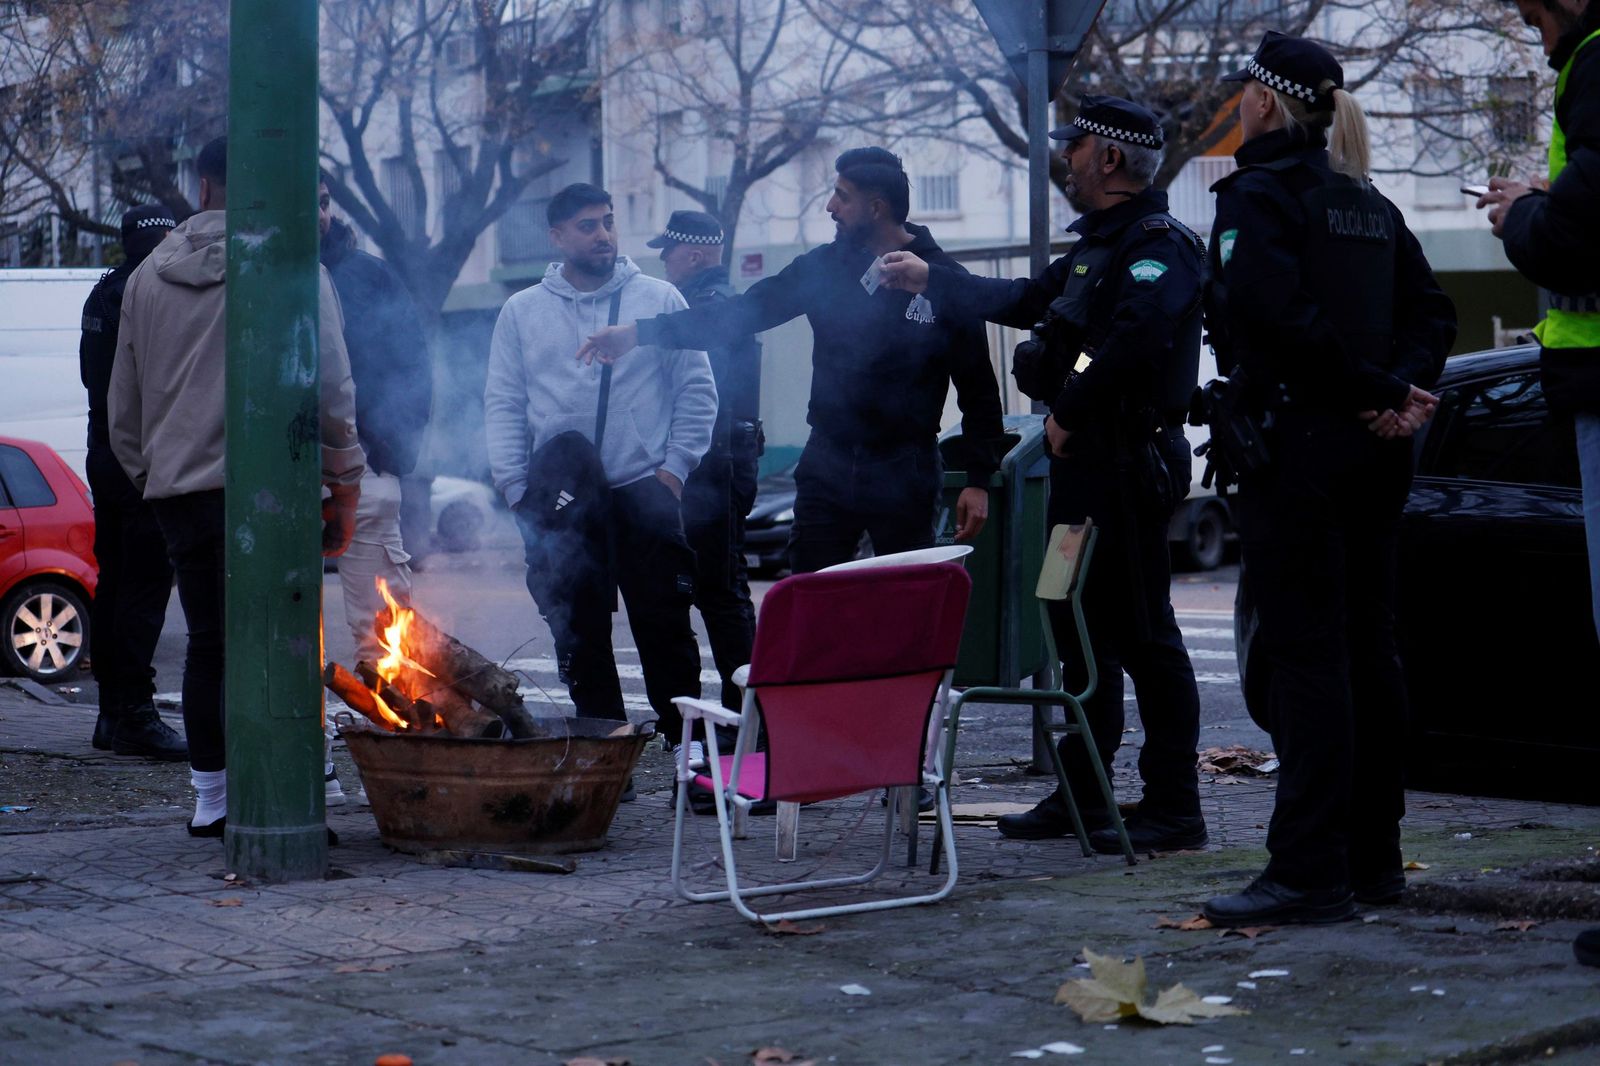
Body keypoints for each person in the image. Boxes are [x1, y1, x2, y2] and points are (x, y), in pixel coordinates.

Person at [880, 96, 1210, 855]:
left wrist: (1068, 411)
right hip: (1082, 477)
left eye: (1078, 145)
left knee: (1145, 635)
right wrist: (932, 277)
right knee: (1073, 625)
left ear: (1111, 159)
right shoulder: (1096, 249)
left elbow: (1133, 336)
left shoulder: (1158, 245)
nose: (1067, 158)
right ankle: (1084, 793)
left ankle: (1174, 805)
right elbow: (1023, 302)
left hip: (1123, 465)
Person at [1196, 32, 1456, 926]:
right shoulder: (1366, 200)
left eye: (1242, 96)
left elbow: (1276, 316)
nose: (1237, 107)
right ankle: (1373, 860)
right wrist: (1399, 394)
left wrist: (1382, 390)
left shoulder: (1258, 196)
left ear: (1264, 103)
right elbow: (1433, 308)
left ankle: (1307, 872)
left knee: (1305, 658)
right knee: (1368, 651)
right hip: (1372, 453)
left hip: (1296, 451)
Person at [579, 148, 1005, 574]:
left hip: (904, 467)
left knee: (904, 601)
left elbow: (978, 387)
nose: (829, 206)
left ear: (875, 208)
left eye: (841, 196)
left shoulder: (942, 278)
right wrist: (640, 333)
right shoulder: (822, 268)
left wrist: (978, 479)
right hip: (828, 461)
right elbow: (738, 314)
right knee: (812, 596)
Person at [107, 136, 366, 836]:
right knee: (283, 639)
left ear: (202, 188)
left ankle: (212, 799)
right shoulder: (291, 266)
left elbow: (123, 410)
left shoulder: (145, 279)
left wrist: (155, 478)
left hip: (181, 495)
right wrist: (343, 482)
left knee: (210, 645)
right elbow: (333, 389)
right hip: (274, 490)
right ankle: (290, 789)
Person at [484, 182, 716, 763]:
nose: (603, 235)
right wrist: (516, 488)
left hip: (644, 487)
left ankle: (684, 744)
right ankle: (604, 750)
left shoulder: (659, 299)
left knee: (664, 625)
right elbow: (504, 403)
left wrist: (675, 471)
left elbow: (696, 390)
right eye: (587, 225)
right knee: (580, 632)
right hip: (561, 500)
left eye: (608, 222)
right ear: (557, 236)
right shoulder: (522, 311)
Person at [1479, 0, 1600, 969]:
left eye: (1531, 8)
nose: (1530, 25)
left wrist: (1526, 215)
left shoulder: (1595, 66)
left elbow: (1579, 238)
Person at [318, 179, 433, 802]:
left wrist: (393, 454)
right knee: (287, 627)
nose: (316, 212)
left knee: (384, 626)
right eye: (304, 198)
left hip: (368, 471)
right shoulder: (246, 274)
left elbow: (413, 365)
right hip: (278, 480)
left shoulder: (369, 276)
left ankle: (408, 752)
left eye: (324, 200)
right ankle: (313, 759)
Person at [80, 204, 186, 761]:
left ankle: (111, 713)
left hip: (104, 451)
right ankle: (136, 716)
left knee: (114, 583)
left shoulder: (103, 290)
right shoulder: (148, 291)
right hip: (139, 453)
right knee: (144, 587)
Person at [647, 210, 761, 728]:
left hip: (716, 466)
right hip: (720, 463)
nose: (664, 262)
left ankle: (749, 723)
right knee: (716, 593)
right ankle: (741, 719)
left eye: (667, 251)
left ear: (692, 254)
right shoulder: (712, 303)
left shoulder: (711, 309)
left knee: (720, 595)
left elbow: (702, 395)